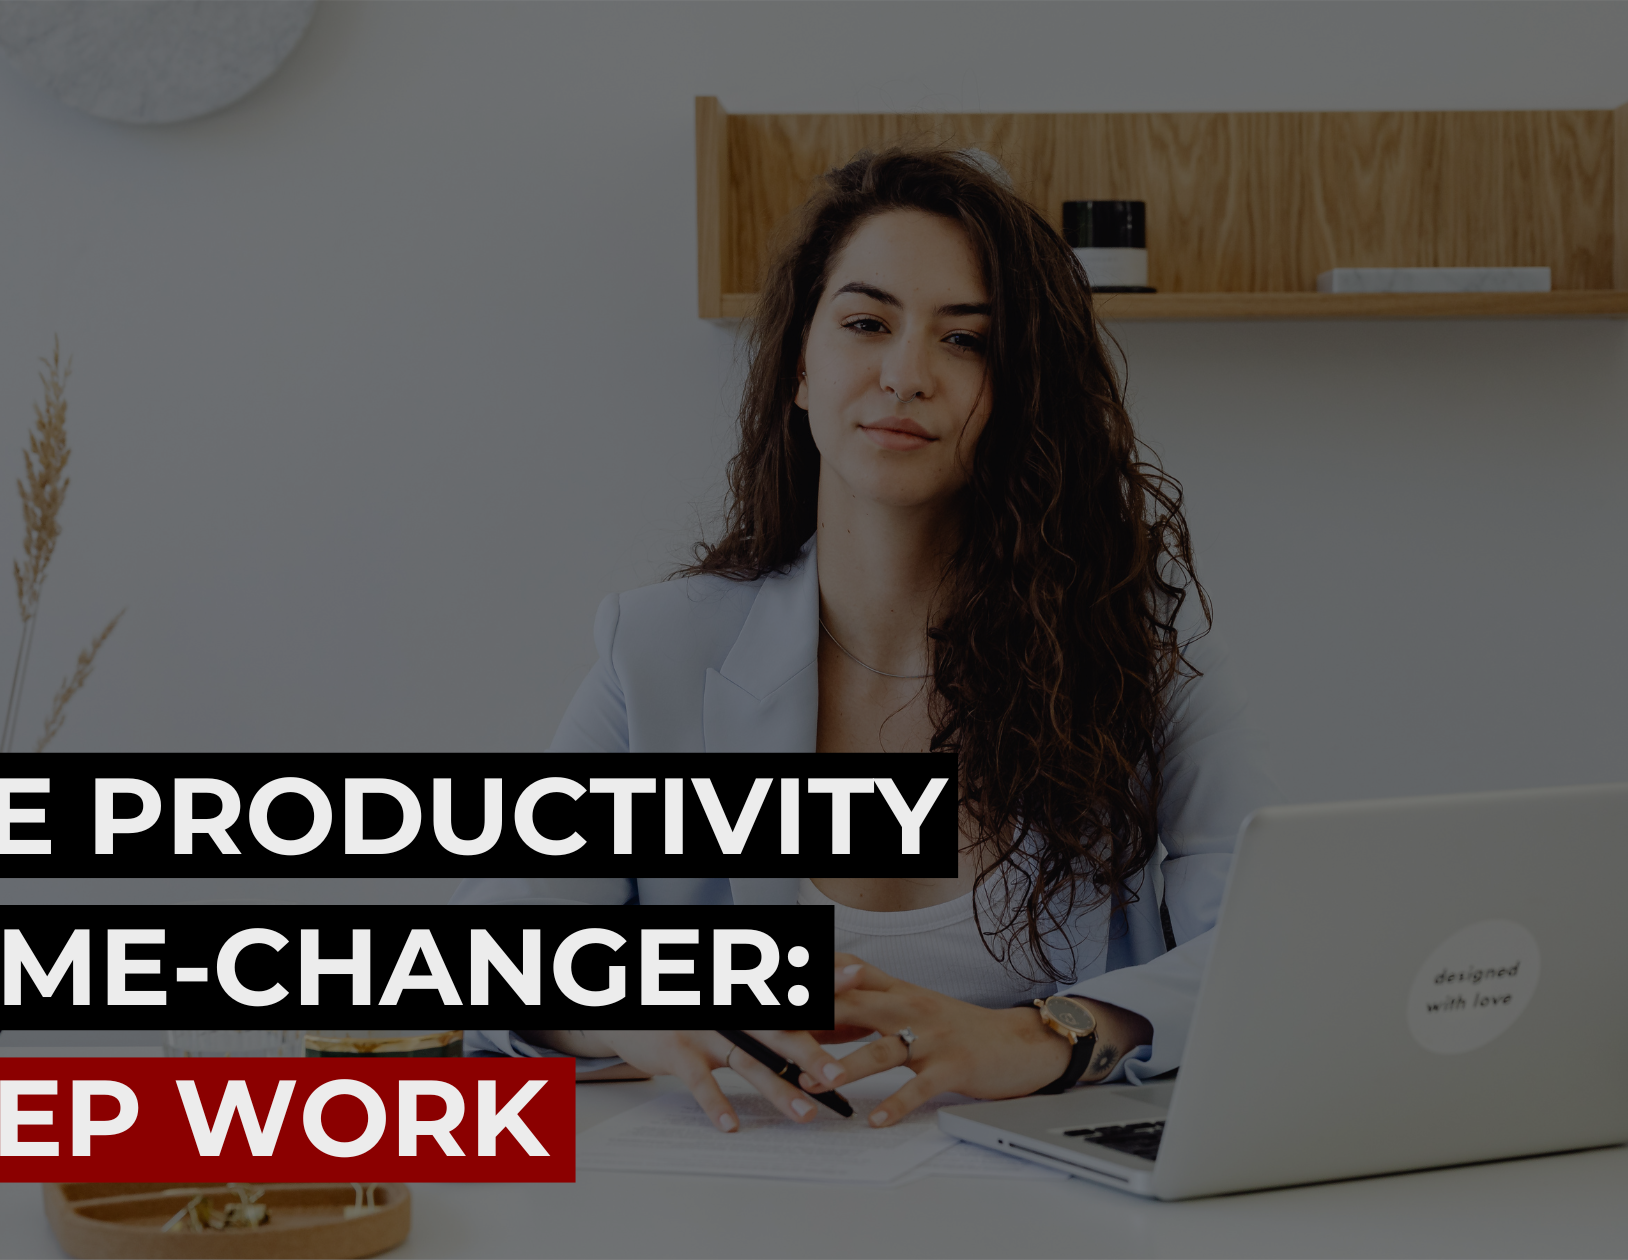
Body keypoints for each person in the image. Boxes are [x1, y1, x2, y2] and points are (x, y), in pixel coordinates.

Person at [453, 145, 1274, 1133]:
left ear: (1015, 392)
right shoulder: (658, 650)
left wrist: (1047, 1034)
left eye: (965, 341)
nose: (904, 373)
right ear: (800, 365)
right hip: (742, 1198)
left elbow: (1265, 951)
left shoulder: (1138, 645)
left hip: (1052, 1199)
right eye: (864, 323)